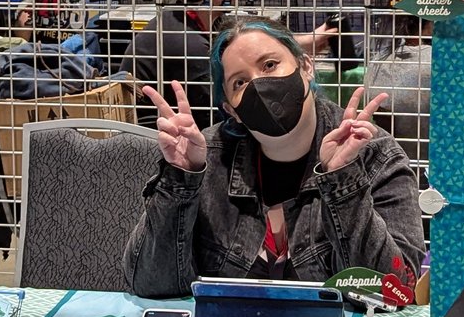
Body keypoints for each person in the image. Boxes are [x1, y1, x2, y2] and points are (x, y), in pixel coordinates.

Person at [125, 18, 423, 296]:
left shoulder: (374, 155)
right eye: (239, 82)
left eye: (269, 65)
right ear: (231, 110)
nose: (258, 85)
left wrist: (343, 181)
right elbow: (150, 284)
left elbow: (395, 293)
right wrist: (181, 178)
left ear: (306, 66)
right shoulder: (208, 158)